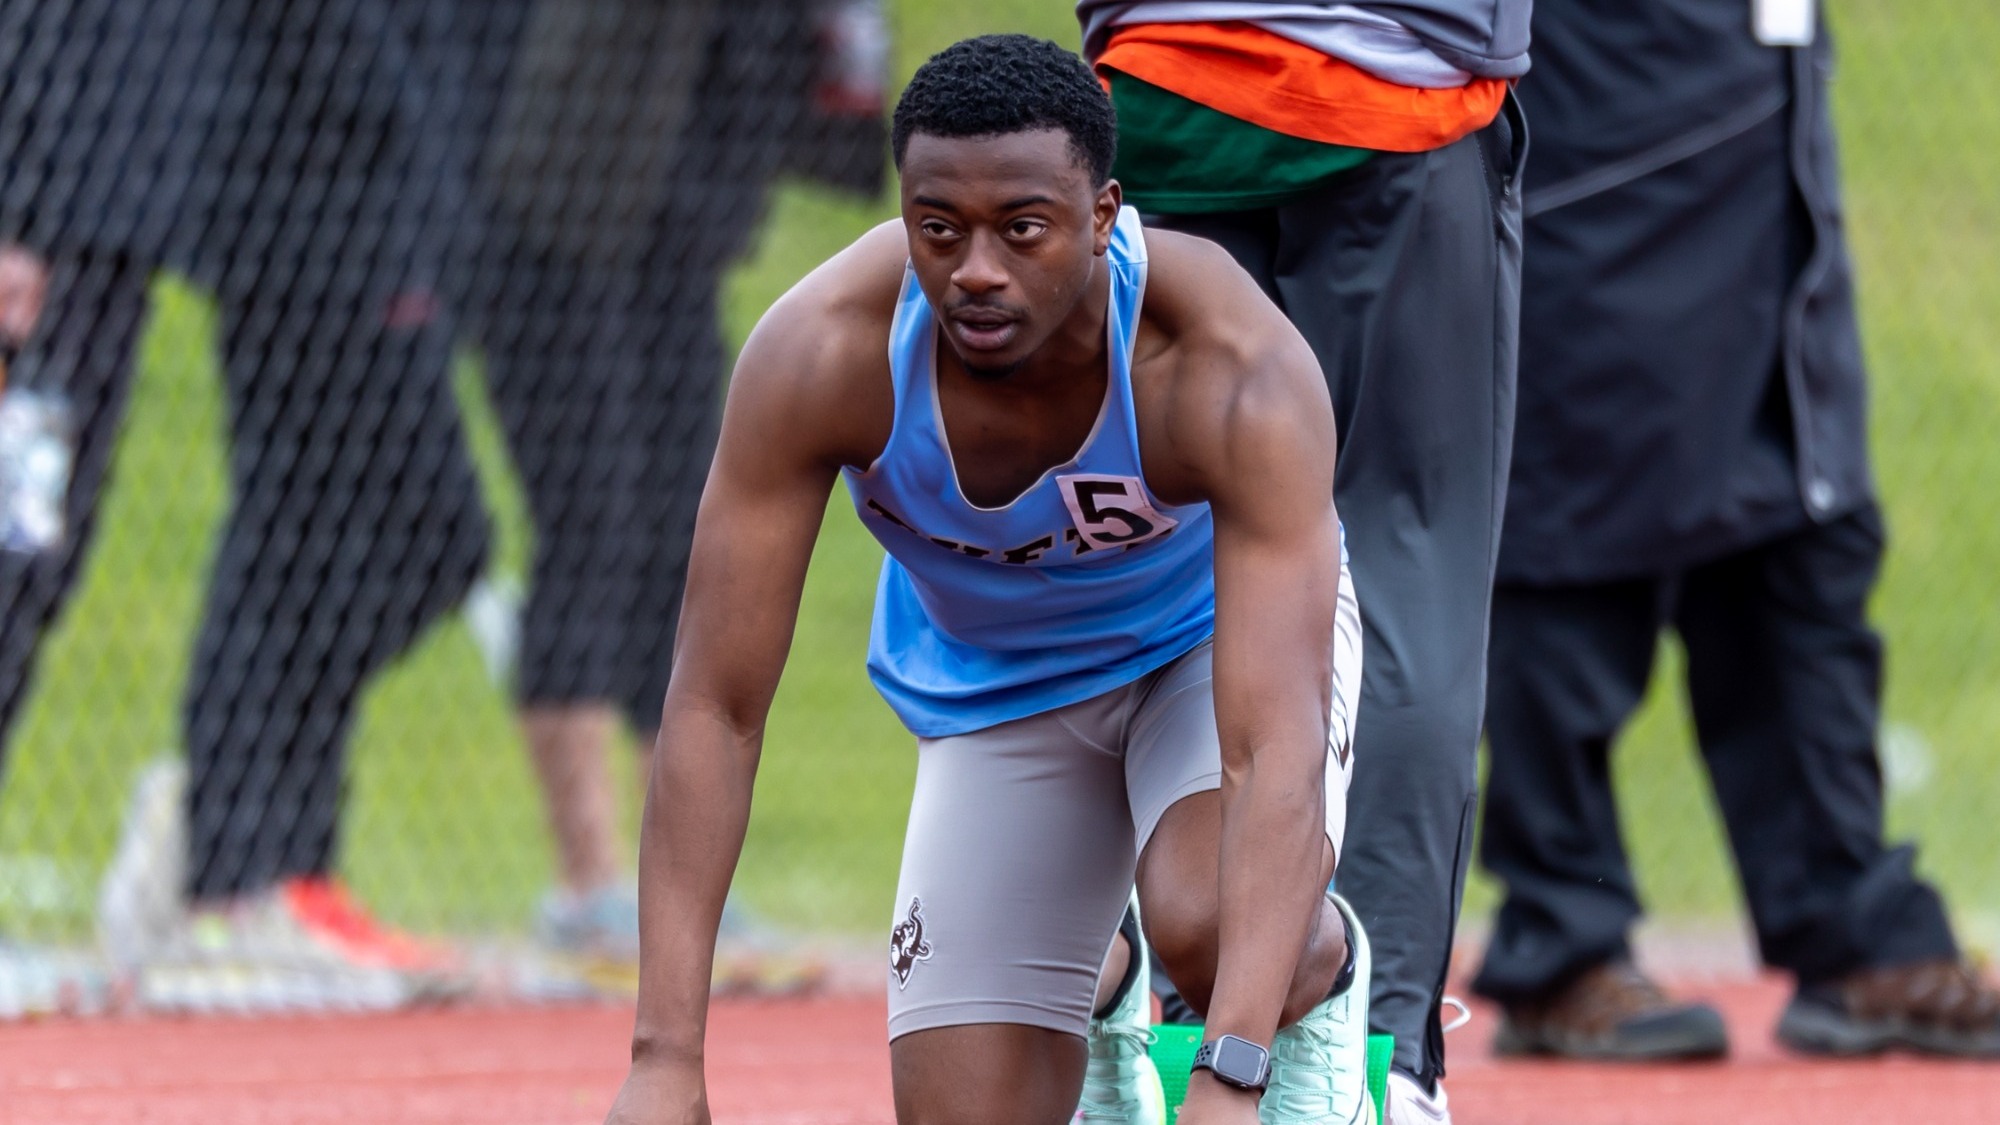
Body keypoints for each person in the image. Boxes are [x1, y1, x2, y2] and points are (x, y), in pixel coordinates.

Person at [609, 34, 1372, 1125]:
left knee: (1205, 921)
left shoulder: (1223, 367)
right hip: (1000, 685)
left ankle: (1314, 986)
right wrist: (663, 1057)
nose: (974, 269)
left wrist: (1227, 1076)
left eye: (1021, 229)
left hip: (1202, 650)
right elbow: (714, 707)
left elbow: (1271, 745)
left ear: (1102, 217)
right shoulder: (824, 356)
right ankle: (1099, 986)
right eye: (938, 229)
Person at [1470, 0, 2000, 1061]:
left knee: (1802, 543)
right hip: (1603, 155)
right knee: (1574, 561)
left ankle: (1852, 928)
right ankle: (1558, 939)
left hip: (1766, 154)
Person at [1073, 3, 1529, 1119]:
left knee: (1157, 572)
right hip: (1396, 94)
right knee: (1405, 565)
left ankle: (1158, 1028)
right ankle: (1380, 1058)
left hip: (1165, 95)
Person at [460, 0, 887, 969]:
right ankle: (587, 882)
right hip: (547, 227)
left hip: (677, 233)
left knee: (688, 540)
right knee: (591, 526)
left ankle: (676, 886)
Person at [96, 0, 493, 1014]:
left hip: (381, 198)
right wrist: (395, 113)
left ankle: (244, 823)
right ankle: (241, 865)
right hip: (298, 198)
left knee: (418, 542)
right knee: (299, 523)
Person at [0, 0, 229, 1017]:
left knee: (40, 563)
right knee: (13, 562)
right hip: (45, 247)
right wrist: (15, 217)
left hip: (105, 241)